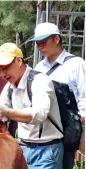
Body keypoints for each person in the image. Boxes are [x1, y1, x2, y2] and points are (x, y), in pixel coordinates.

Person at [0, 43, 64, 169]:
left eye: (5, 67)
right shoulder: (9, 87)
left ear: (18, 61)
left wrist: (6, 112)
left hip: (47, 150)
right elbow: (2, 113)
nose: (3, 74)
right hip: (23, 148)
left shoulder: (40, 81)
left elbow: (39, 115)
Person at [30, 22, 85, 169]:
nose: (40, 46)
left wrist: (81, 130)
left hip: (68, 129)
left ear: (56, 39)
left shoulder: (76, 64)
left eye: (43, 41)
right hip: (46, 130)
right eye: (37, 43)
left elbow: (84, 97)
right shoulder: (39, 67)